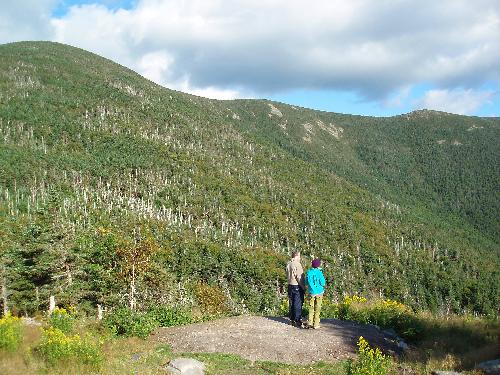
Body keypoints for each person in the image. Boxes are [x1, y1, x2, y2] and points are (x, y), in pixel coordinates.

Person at [286, 251, 305, 327]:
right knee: (298, 303)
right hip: (296, 285)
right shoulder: (297, 264)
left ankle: (291, 319)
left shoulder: (288, 263)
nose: (300, 258)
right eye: (299, 256)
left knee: (291, 302)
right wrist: (303, 287)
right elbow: (299, 277)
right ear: (296, 256)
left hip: (290, 285)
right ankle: (297, 320)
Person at [306, 258, 326, 329]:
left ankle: (310, 322)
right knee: (318, 308)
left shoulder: (308, 272)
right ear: (318, 265)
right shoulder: (319, 272)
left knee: (311, 307)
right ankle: (316, 324)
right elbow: (323, 283)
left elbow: (306, 282)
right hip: (319, 292)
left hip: (311, 292)